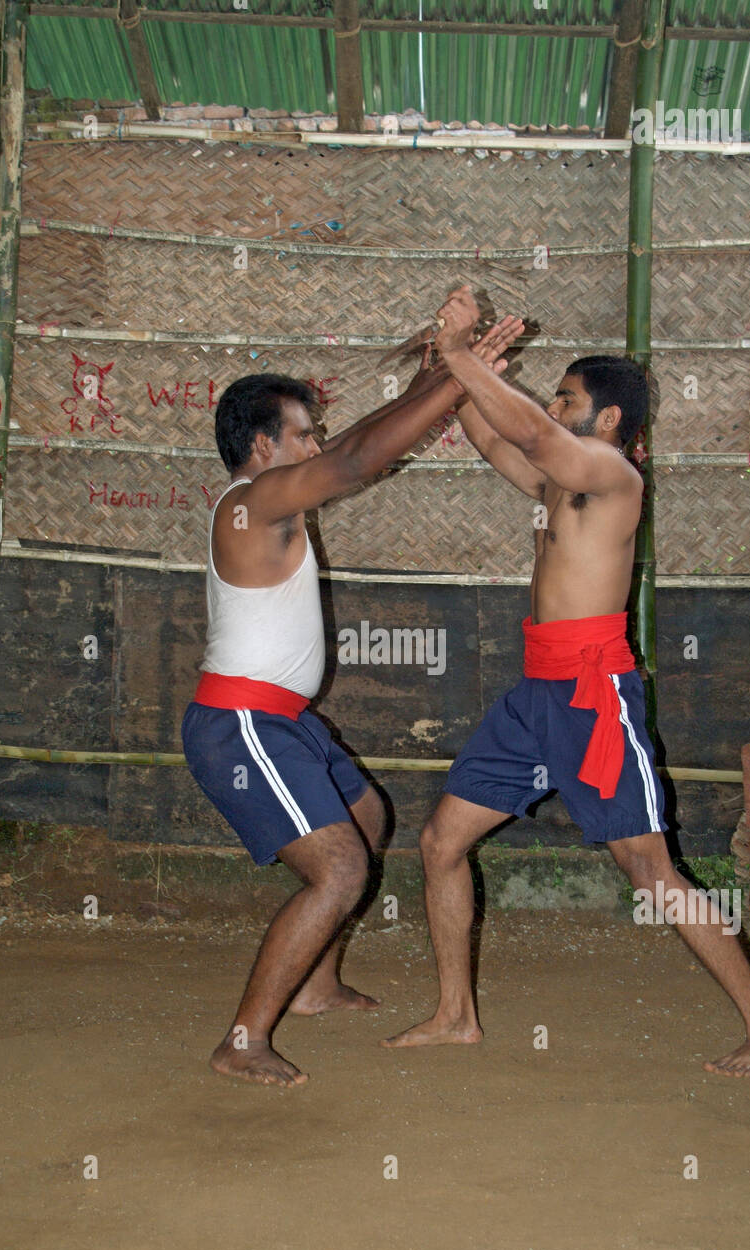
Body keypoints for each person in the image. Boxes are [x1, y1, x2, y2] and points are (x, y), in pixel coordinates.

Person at [384, 285, 750, 1079]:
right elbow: (486, 434)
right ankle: (453, 1015)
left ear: (606, 418)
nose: (552, 404)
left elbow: (531, 431)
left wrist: (470, 358)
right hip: (534, 695)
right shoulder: (556, 483)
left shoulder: (611, 476)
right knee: (441, 843)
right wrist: (451, 361)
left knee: (648, 869)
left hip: (592, 696)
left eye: (566, 396)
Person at [181, 310, 521, 1086]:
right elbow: (358, 458)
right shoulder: (252, 500)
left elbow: (349, 449)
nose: (314, 445)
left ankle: (317, 985)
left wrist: (444, 373)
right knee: (338, 872)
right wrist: (456, 373)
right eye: (303, 434)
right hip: (240, 725)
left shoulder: (268, 497)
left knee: (367, 817)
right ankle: (241, 1039)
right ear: (263, 446)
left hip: (282, 721)